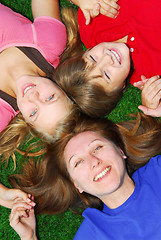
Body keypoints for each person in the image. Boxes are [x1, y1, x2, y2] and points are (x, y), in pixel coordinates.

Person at [9, 111, 161, 239]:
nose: (94, 161)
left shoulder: (157, 169)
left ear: (120, 151)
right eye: (78, 162)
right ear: (77, 185)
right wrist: (30, 237)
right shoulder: (93, 233)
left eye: (97, 147)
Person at [53, 0, 161, 117]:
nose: (107, 58)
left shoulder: (90, 25)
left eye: (93, 58)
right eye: (106, 75)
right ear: (120, 87)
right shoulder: (151, 74)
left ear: (86, 52)